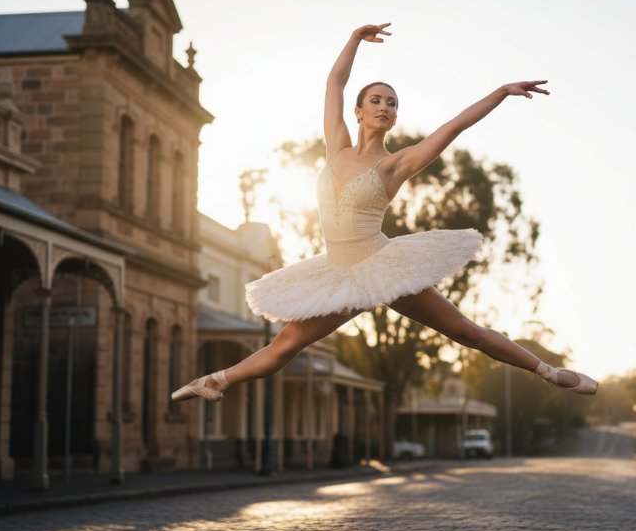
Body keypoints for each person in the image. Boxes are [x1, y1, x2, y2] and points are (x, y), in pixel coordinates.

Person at [172, 23, 597, 403]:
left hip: (380, 264)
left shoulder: (396, 164)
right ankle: (216, 381)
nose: (384, 107)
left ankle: (550, 372)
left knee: (465, 332)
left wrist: (501, 92)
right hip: (337, 273)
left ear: (394, 118)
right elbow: (333, 85)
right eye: (376, 100)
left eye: (392, 104)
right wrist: (354, 39)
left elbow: (452, 128)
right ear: (359, 111)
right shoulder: (336, 146)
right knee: (286, 343)